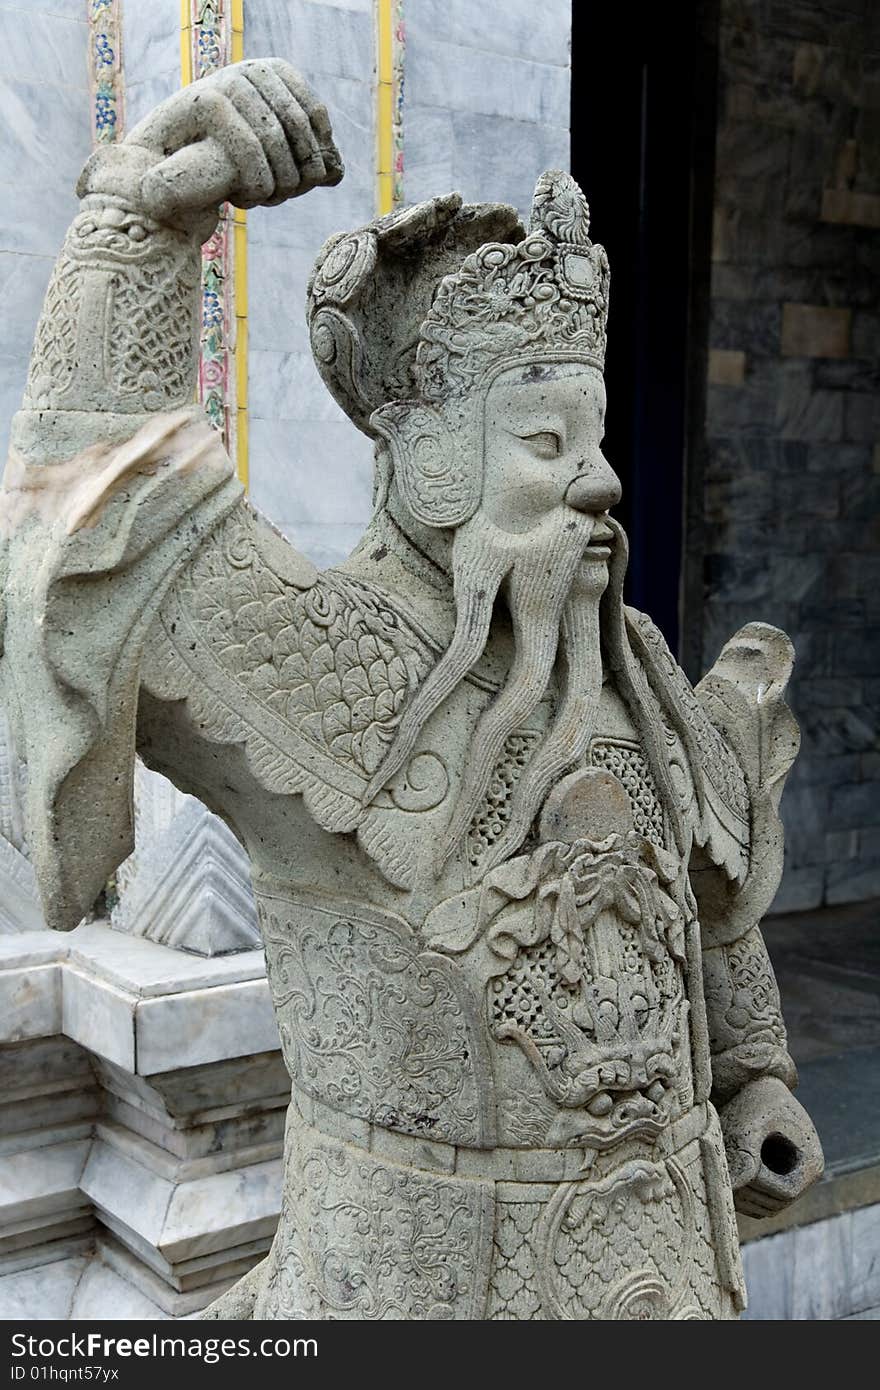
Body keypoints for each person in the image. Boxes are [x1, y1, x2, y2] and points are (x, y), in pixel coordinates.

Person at [0, 59, 822, 1320]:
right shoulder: (336, 660)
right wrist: (137, 228)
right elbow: (108, 500)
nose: (599, 483)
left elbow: (709, 898)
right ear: (423, 450)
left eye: (595, 441)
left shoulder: (636, 667)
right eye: (545, 444)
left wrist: (754, 1075)